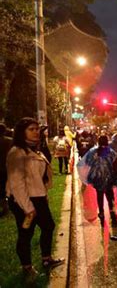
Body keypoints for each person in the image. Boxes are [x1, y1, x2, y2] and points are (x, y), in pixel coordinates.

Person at [6, 118, 64, 278]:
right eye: (32, 129)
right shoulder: (17, 152)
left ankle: (46, 259)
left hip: (38, 196)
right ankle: (27, 267)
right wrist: (28, 208)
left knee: (48, 226)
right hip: (23, 200)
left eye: (37, 129)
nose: (36, 131)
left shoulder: (34, 150)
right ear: (21, 132)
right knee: (26, 233)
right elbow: (17, 183)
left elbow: (39, 177)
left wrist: (43, 195)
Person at [82, 135, 117, 228]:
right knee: (110, 198)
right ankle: (112, 214)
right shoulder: (111, 152)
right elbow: (116, 164)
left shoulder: (93, 152)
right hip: (109, 179)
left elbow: (87, 163)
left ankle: (101, 213)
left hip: (97, 179)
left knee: (100, 196)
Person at [0, 123, 13, 216]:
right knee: (9, 187)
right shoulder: (10, 141)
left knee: (1, 188)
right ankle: (8, 206)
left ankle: (5, 206)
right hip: (9, 168)